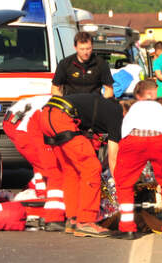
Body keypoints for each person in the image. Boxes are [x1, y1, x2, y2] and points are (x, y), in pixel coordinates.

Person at [37, 96, 114, 238]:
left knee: (71, 170)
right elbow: (114, 153)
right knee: (91, 168)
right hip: (61, 117)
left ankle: (73, 219)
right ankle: (86, 221)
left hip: (48, 115)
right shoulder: (117, 116)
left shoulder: (101, 109)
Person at [115, 99, 162, 241]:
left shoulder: (132, 112)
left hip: (133, 139)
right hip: (161, 138)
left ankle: (127, 229)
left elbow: (124, 134)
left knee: (124, 183)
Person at [3, 95, 66, 229]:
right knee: (52, 169)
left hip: (16, 121)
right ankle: (51, 212)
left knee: (41, 166)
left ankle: (40, 196)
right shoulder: (58, 109)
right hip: (20, 125)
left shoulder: (59, 102)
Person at [51, 32, 114, 97]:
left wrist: (103, 104)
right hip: (71, 104)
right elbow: (55, 89)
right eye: (82, 49)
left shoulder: (101, 63)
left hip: (94, 104)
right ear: (75, 47)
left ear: (92, 46)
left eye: (88, 48)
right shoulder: (65, 63)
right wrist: (64, 103)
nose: (85, 52)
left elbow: (109, 89)